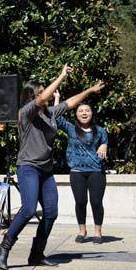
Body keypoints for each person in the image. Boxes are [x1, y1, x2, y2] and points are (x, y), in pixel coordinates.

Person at [0, 65, 104, 270]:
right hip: (28, 167)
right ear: (32, 95)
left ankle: (36, 254)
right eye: (42, 90)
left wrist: (89, 91)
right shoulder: (26, 113)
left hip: (45, 170)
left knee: (51, 212)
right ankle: (3, 248)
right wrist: (61, 76)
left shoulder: (50, 113)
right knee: (28, 208)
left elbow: (70, 103)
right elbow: (43, 99)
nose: (47, 93)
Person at [54, 91, 108, 244]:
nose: (84, 113)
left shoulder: (100, 131)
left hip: (96, 172)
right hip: (77, 172)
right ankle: (82, 231)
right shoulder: (71, 129)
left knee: (96, 202)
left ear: (92, 113)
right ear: (76, 114)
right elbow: (56, 117)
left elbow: (105, 143)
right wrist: (57, 98)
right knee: (80, 202)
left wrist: (104, 145)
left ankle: (98, 232)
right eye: (80, 111)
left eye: (87, 110)